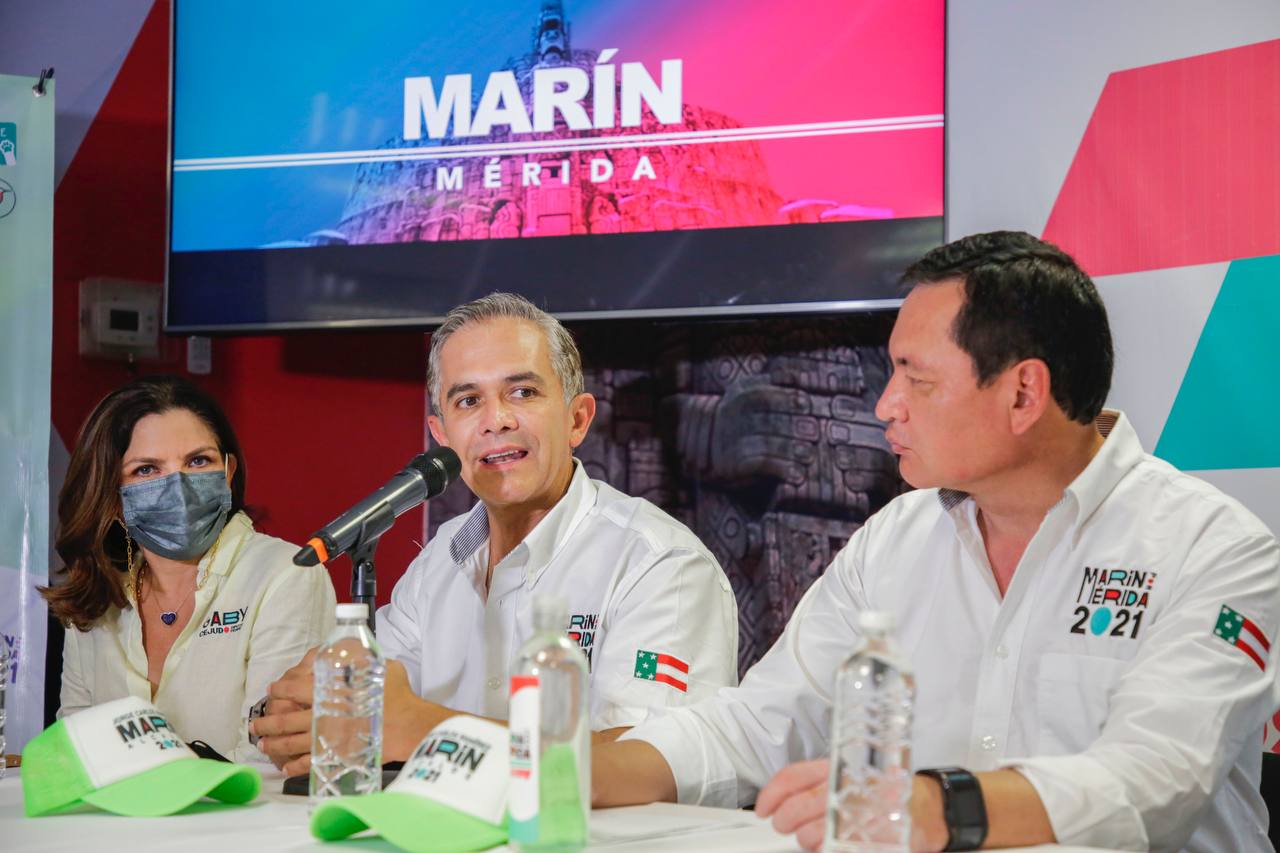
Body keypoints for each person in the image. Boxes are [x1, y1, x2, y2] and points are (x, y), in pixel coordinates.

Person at [592, 231, 1280, 853]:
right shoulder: (897, 537)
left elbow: (1155, 778)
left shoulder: (1213, 549)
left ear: (1024, 394)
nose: (885, 405)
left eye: (916, 379)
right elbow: (757, 724)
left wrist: (936, 806)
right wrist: (566, 769)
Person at [254, 293, 738, 775]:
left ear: (577, 419)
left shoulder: (658, 564)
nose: (496, 420)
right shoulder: (439, 560)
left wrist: (424, 728)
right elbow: (371, 705)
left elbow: (650, 763)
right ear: (442, 436)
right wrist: (305, 716)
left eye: (522, 392)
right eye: (468, 401)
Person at [43, 375, 336, 762]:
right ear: (111, 495)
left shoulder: (286, 574)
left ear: (228, 473)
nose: (178, 487)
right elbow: (75, 750)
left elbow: (270, 756)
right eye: (147, 469)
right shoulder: (95, 595)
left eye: (198, 461)